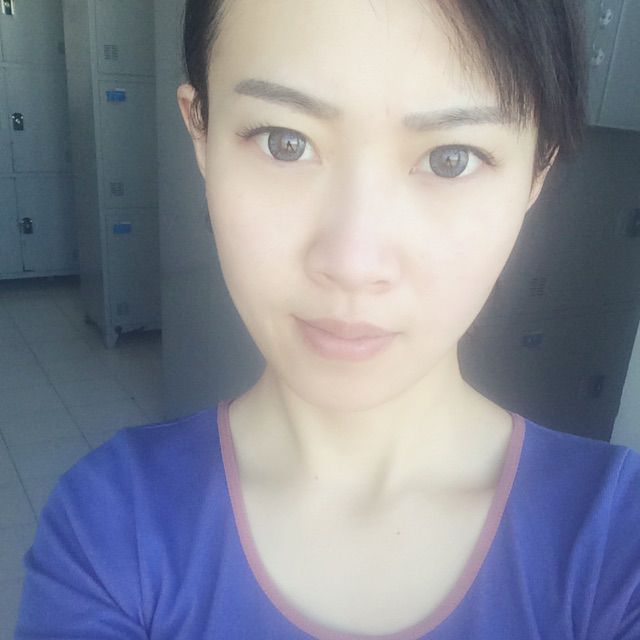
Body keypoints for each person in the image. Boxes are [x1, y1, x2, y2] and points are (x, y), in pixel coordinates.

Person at [14, 0, 640, 638]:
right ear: (200, 132)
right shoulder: (109, 531)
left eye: (451, 158)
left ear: (538, 172)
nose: (352, 263)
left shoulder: (619, 545)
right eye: (285, 143)